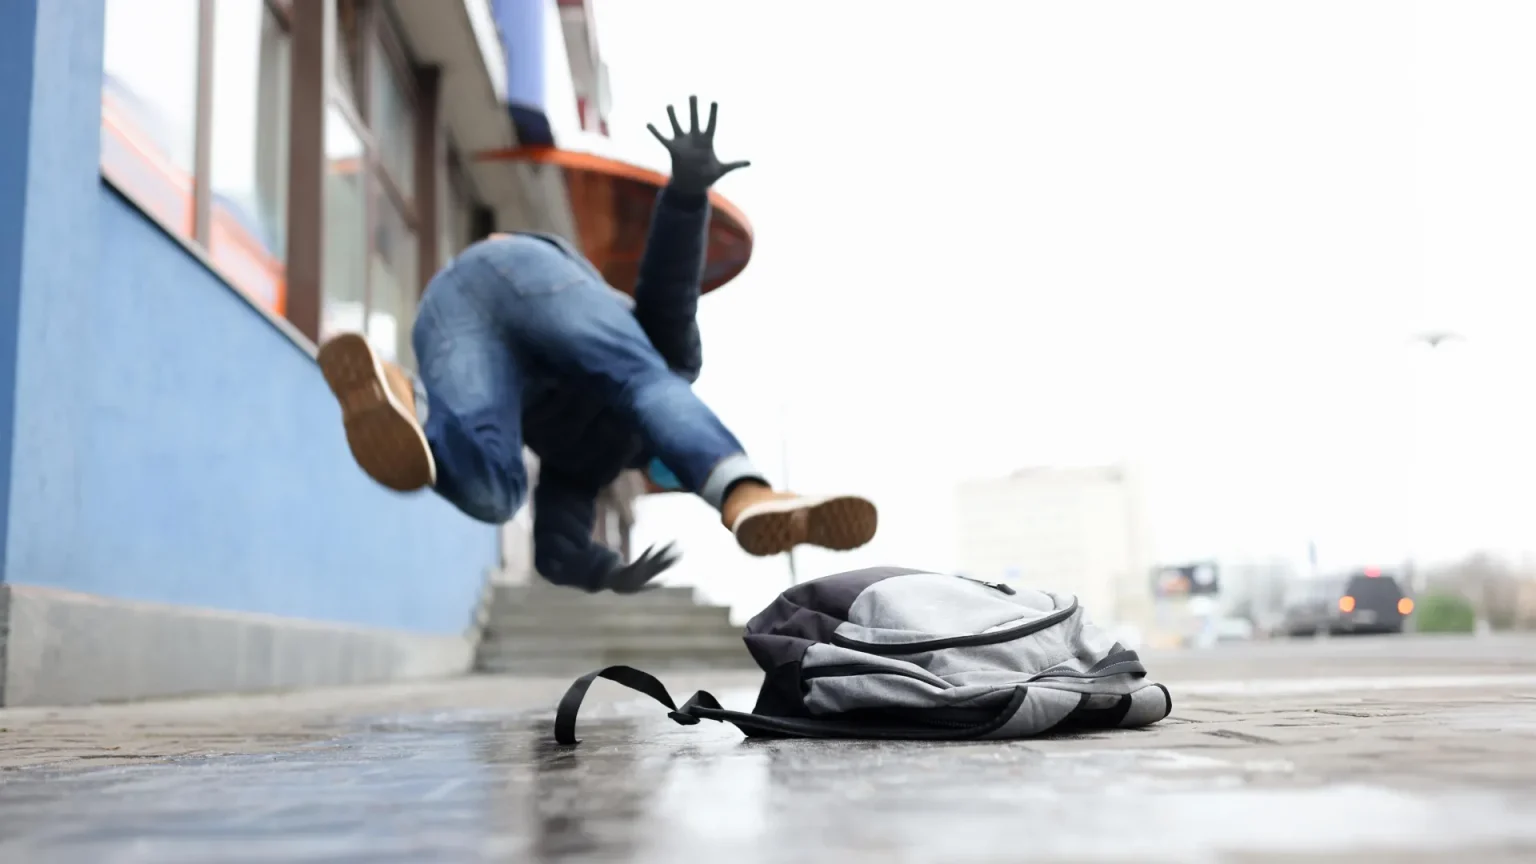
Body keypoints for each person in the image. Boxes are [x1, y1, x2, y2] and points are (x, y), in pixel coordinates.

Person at [316, 97, 877, 594]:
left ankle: (403, 400)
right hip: (527, 272)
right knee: (650, 379)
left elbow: (554, 549)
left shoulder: (582, 471)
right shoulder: (671, 365)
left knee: (495, 491)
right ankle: (744, 492)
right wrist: (685, 197)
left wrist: (606, 572)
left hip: (453, 311)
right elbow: (668, 289)